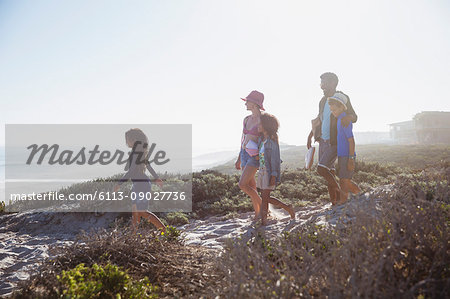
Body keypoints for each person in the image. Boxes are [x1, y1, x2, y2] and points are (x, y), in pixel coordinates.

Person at [306, 72, 357, 205]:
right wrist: (310, 135)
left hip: (335, 142)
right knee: (330, 174)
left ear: (333, 83)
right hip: (322, 141)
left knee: (321, 169)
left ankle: (342, 192)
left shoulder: (342, 98)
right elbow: (319, 120)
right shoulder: (323, 101)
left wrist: (348, 117)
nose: (322, 86)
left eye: (324, 83)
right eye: (321, 83)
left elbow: (354, 116)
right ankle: (334, 203)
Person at [114, 128, 166, 232]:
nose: (126, 142)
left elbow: (131, 171)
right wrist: (156, 178)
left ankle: (164, 230)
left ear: (133, 140)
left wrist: (120, 183)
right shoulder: (139, 152)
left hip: (141, 185)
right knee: (135, 213)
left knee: (141, 211)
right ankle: (134, 236)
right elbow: (149, 166)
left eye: (127, 139)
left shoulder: (136, 154)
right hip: (138, 184)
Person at [257, 113, 295, 225]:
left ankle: (287, 208)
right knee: (265, 197)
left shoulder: (271, 142)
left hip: (268, 172)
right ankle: (264, 219)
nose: (258, 125)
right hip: (262, 171)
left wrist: (273, 175)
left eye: (260, 123)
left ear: (266, 125)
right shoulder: (261, 140)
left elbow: (275, 160)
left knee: (265, 197)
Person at [235, 90, 264, 219]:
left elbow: (267, 139)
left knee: (242, 185)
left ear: (254, 103)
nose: (245, 103)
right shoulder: (246, 119)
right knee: (252, 187)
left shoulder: (263, 119)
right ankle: (258, 213)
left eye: (247, 101)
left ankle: (263, 206)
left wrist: (263, 158)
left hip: (255, 156)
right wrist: (239, 158)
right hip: (244, 154)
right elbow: (243, 139)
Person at [328, 93, 361, 204]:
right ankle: (359, 196)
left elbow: (351, 140)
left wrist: (351, 158)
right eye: (331, 110)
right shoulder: (339, 119)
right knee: (344, 181)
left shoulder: (344, 120)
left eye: (335, 110)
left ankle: (344, 202)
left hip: (348, 156)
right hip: (342, 155)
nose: (333, 112)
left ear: (342, 107)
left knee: (345, 181)